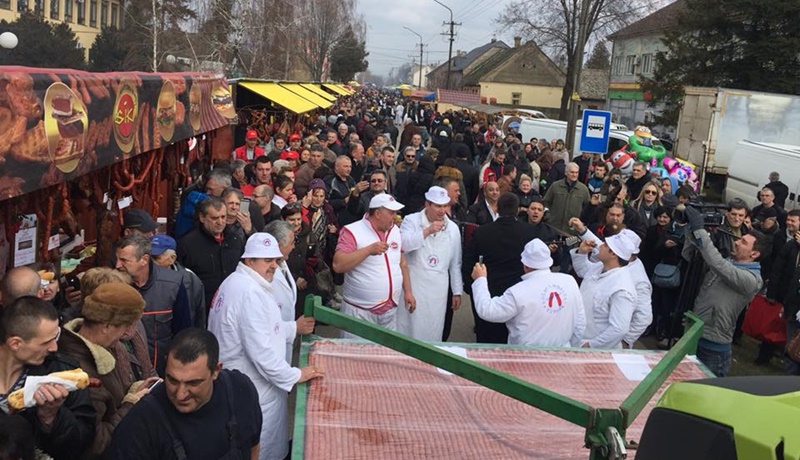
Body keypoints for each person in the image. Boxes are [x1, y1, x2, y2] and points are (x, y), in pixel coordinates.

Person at [207, 233, 320, 460]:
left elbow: (268, 328)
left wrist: (293, 328)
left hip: (247, 384)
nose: (273, 266)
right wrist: (296, 374)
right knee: (262, 447)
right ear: (249, 260)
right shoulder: (249, 293)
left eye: (275, 260)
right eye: (266, 260)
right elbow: (262, 353)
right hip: (255, 388)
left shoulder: (237, 282)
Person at [104, 329, 263, 460]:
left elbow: (253, 446)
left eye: (193, 383)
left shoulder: (240, 391)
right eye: (172, 380)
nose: (180, 395)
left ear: (216, 371)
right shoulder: (141, 423)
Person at [57, 282, 155, 458]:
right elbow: (97, 443)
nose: (127, 333)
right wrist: (130, 406)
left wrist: (133, 391)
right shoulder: (82, 373)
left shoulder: (101, 349)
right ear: (106, 326)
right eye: (124, 327)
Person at [0, 297, 95, 459]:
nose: (54, 347)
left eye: (55, 337)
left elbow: (83, 442)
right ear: (16, 344)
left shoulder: (62, 371)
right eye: (46, 342)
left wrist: (51, 417)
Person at [680, 205, 766, 376]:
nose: (736, 241)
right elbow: (703, 255)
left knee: (707, 398)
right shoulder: (730, 261)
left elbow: (716, 262)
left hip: (714, 348)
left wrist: (700, 229)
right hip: (695, 336)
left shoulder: (750, 279)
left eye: (743, 242)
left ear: (754, 254)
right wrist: (692, 228)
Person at [471, 239, 585, 347]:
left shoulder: (517, 292)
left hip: (526, 358)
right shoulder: (569, 281)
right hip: (560, 355)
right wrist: (570, 348)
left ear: (525, 264)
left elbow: (487, 310)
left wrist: (480, 279)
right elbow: (580, 323)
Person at [333, 194, 415, 334]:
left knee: (384, 354)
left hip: (389, 311)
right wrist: (368, 250)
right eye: (391, 212)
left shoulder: (395, 230)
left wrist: (408, 292)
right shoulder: (352, 231)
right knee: (356, 354)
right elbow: (338, 265)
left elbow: (401, 263)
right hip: (359, 312)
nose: (395, 216)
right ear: (377, 213)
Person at [463, 193, 537, 343]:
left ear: (497, 209)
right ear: (517, 210)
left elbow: (468, 262)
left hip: (489, 292)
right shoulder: (530, 233)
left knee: (486, 339)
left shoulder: (482, 232)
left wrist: (472, 289)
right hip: (519, 296)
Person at [116, 234, 191, 375]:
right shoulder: (112, 284)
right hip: (126, 374)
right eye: (117, 259)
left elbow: (183, 332)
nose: (117, 265)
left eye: (124, 260)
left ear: (144, 260)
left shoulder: (173, 284)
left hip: (161, 372)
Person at [396, 186, 463, 341]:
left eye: (444, 206)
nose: (441, 210)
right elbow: (403, 245)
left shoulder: (452, 228)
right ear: (427, 205)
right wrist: (426, 232)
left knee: (433, 327)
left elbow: (455, 262)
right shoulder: (411, 220)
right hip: (415, 281)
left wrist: (457, 290)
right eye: (437, 206)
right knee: (408, 326)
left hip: (438, 286)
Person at [178, 197, 245, 315]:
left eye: (223, 217)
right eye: (214, 218)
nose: (220, 222)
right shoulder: (187, 244)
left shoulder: (235, 239)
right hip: (202, 309)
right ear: (202, 218)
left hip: (233, 306)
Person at [570, 231, 637, 349]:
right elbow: (583, 270)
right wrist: (581, 253)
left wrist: (591, 345)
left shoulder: (622, 288)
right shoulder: (599, 267)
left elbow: (619, 328)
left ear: (613, 254)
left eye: (605, 245)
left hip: (597, 349)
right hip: (580, 339)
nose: (600, 246)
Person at [151, 235, 206, 329]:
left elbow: (199, 316)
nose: (150, 262)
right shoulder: (141, 277)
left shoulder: (190, 279)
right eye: (148, 256)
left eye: (156, 258)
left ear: (172, 258)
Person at [542, 162, 590, 234]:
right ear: (566, 173)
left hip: (573, 231)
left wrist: (582, 222)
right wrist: (548, 215)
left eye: (576, 172)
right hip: (554, 228)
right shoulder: (555, 186)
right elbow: (545, 202)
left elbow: (587, 208)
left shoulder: (583, 189)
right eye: (572, 172)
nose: (574, 175)